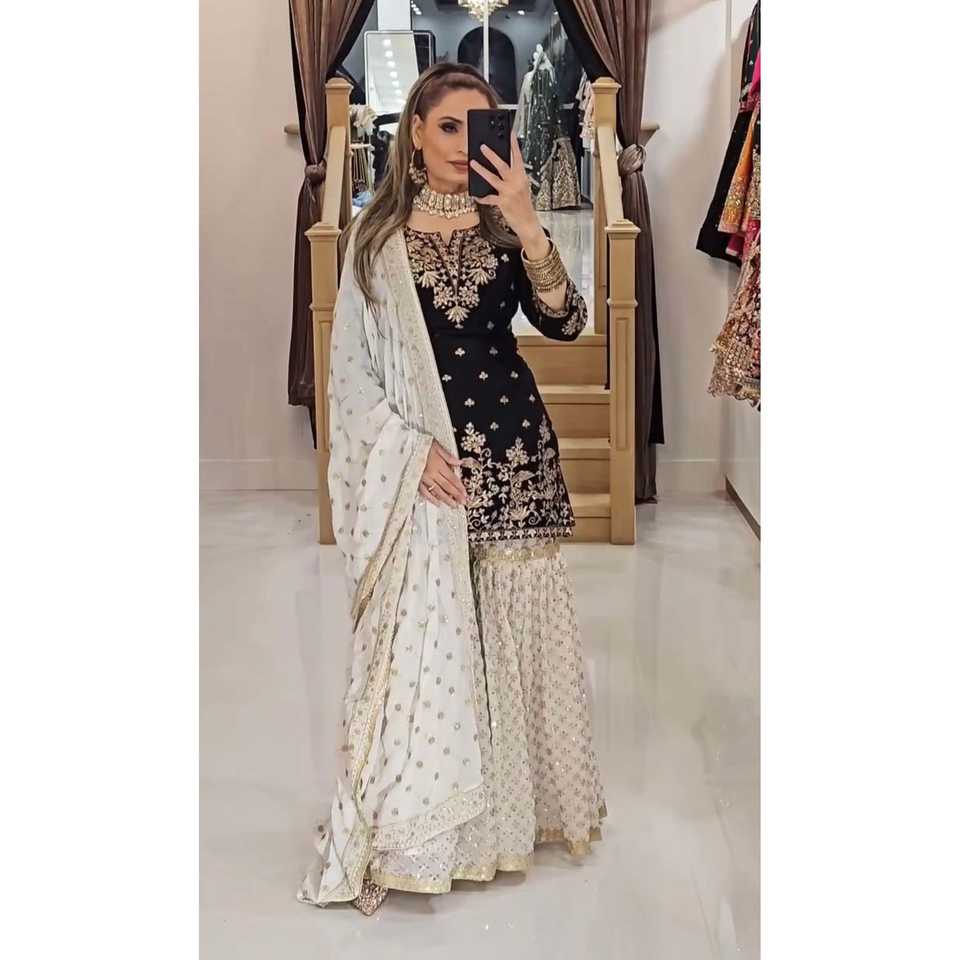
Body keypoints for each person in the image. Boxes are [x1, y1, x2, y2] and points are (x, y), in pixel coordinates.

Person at [296, 62, 606, 917]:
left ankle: (509, 821)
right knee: (433, 643)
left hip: (511, 455)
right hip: (427, 469)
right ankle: (435, 827)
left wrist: (531, 226)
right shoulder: (375, 240)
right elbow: (352, 372)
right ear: (416, 134)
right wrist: (406, 449)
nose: (465, 144)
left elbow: (566, 322)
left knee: (510, 640)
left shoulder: (507, 225)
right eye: (447, 127)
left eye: (480, 126)